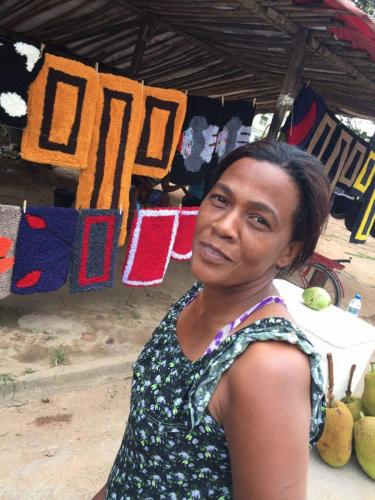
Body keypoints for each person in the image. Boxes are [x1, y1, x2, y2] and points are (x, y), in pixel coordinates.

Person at [93, 139, 330, 500]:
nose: (223, 225)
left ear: (288, 251)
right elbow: (145, 452)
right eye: (220, 199)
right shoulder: (201, 295)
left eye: (258, 219)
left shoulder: (268, 366)